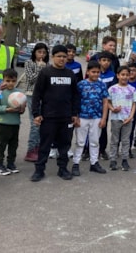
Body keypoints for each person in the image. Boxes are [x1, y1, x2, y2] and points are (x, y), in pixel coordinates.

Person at [30, 45, 80, 182]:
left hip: (66, 117)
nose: (62, 59)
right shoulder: (45, 73)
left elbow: (76, 95)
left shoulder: (70, 74)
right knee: (45, 145)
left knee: (64, 145)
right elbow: (37, 95)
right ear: (53, 57)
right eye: (59, 56)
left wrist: (75, 113)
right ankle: (39, 170)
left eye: (64, 56)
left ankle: (63, 169)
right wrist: (36, 114)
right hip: (48, 116)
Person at [71, 61, 109, 176]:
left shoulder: (102, 85)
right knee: (80, 141)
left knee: (94, 141)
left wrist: (104, 118)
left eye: (98, 72)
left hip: (96, 117)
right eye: (93, 72)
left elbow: (105, 102)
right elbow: (76, 101)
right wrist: (76, 116)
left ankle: (94, 163)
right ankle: (76, 163)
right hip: (82, 117)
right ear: (87, 72)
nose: (95, 74)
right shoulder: (81, 85)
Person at [0, 69, 26, 176]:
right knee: (0, 145)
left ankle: (11, 163)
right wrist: (7, 109)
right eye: (8, 80)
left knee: (13, 144)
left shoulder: (19, 94)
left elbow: (22, 110)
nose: (10, 83)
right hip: (3, 122)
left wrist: (21, 109)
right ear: (3, 80)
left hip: (15, 123)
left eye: (13, 81)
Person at [107, 66, 136, 171]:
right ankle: (113, 159)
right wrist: (112, 109)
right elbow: (107, 102)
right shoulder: (112, 89)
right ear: (118, 75)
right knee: (114, 140)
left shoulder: (132, 89)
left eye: (127, 75)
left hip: (127, 119)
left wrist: (131, 117)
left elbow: (134, 104)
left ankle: (125, 159)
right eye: (122, 74)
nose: (125, 77)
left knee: (126, 140)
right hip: (116, 118)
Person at [23, 43, 49, 162]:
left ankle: (39, 148)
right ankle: (31, 149)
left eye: (44, 52)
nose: (41, 55)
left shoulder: (47, 65)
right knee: (35, 123)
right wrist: (40, 68)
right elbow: (30, 79)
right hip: (31, 94)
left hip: (44, 96)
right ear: (34, 52)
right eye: (39, 52)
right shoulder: (29, 63)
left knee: (43, 123)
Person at [97, 51, 116, 161]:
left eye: (108, 61)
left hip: (106, 105)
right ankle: (87, 149)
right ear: (99, 61)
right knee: (90, 127)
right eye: (104, 60)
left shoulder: (112, 75)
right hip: (93, 104)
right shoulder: (94, 72)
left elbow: (113, 91)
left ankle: (102, 149)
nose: (106, 63)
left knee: (103, 126)